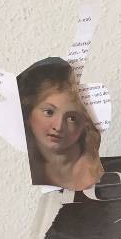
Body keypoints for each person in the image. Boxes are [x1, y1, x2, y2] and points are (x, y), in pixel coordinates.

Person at [17, 57, 103, 191]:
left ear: (84, 124)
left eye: (72, 118)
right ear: (28, 113)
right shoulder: (22, 164)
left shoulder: (87, 170)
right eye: (49, 112)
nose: (58, 127)